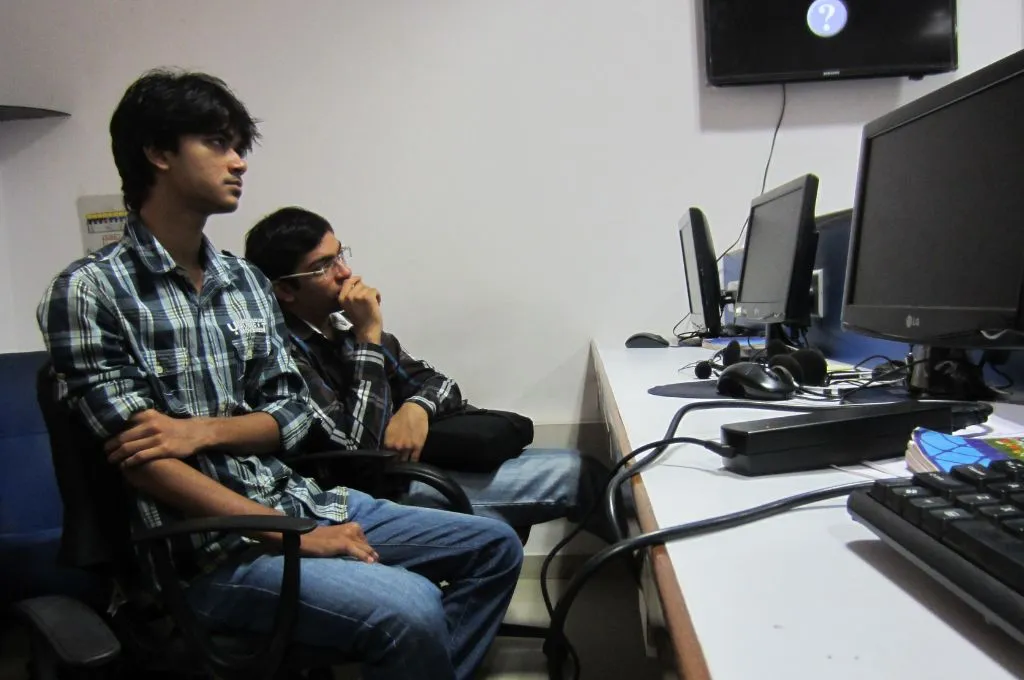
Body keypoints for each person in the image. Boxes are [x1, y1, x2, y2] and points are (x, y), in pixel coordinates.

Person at [36, 69, 522, 680]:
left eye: (239, 146)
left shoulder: (243, 282)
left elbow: (290, 418)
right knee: (414, 608)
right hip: (203, 554)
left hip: (295, 498)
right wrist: (290, 538)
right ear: (158, 153)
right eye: (217, 143)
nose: (239, 162)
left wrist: (202, 432)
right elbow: (146, 459)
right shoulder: (87, 292)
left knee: (494, 547)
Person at [243, 206, 614, 542]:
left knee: (581, 469)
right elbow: (356, 454)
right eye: (324, 266)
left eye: (340, 254)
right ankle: (666, 598)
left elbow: (442, 385)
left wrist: (416, 408)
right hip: (367, 497)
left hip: (415, 471)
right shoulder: (285, 353)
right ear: (285, 290)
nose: (345, 272)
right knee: (577, 478)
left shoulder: (343, 331)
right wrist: (369, 340)